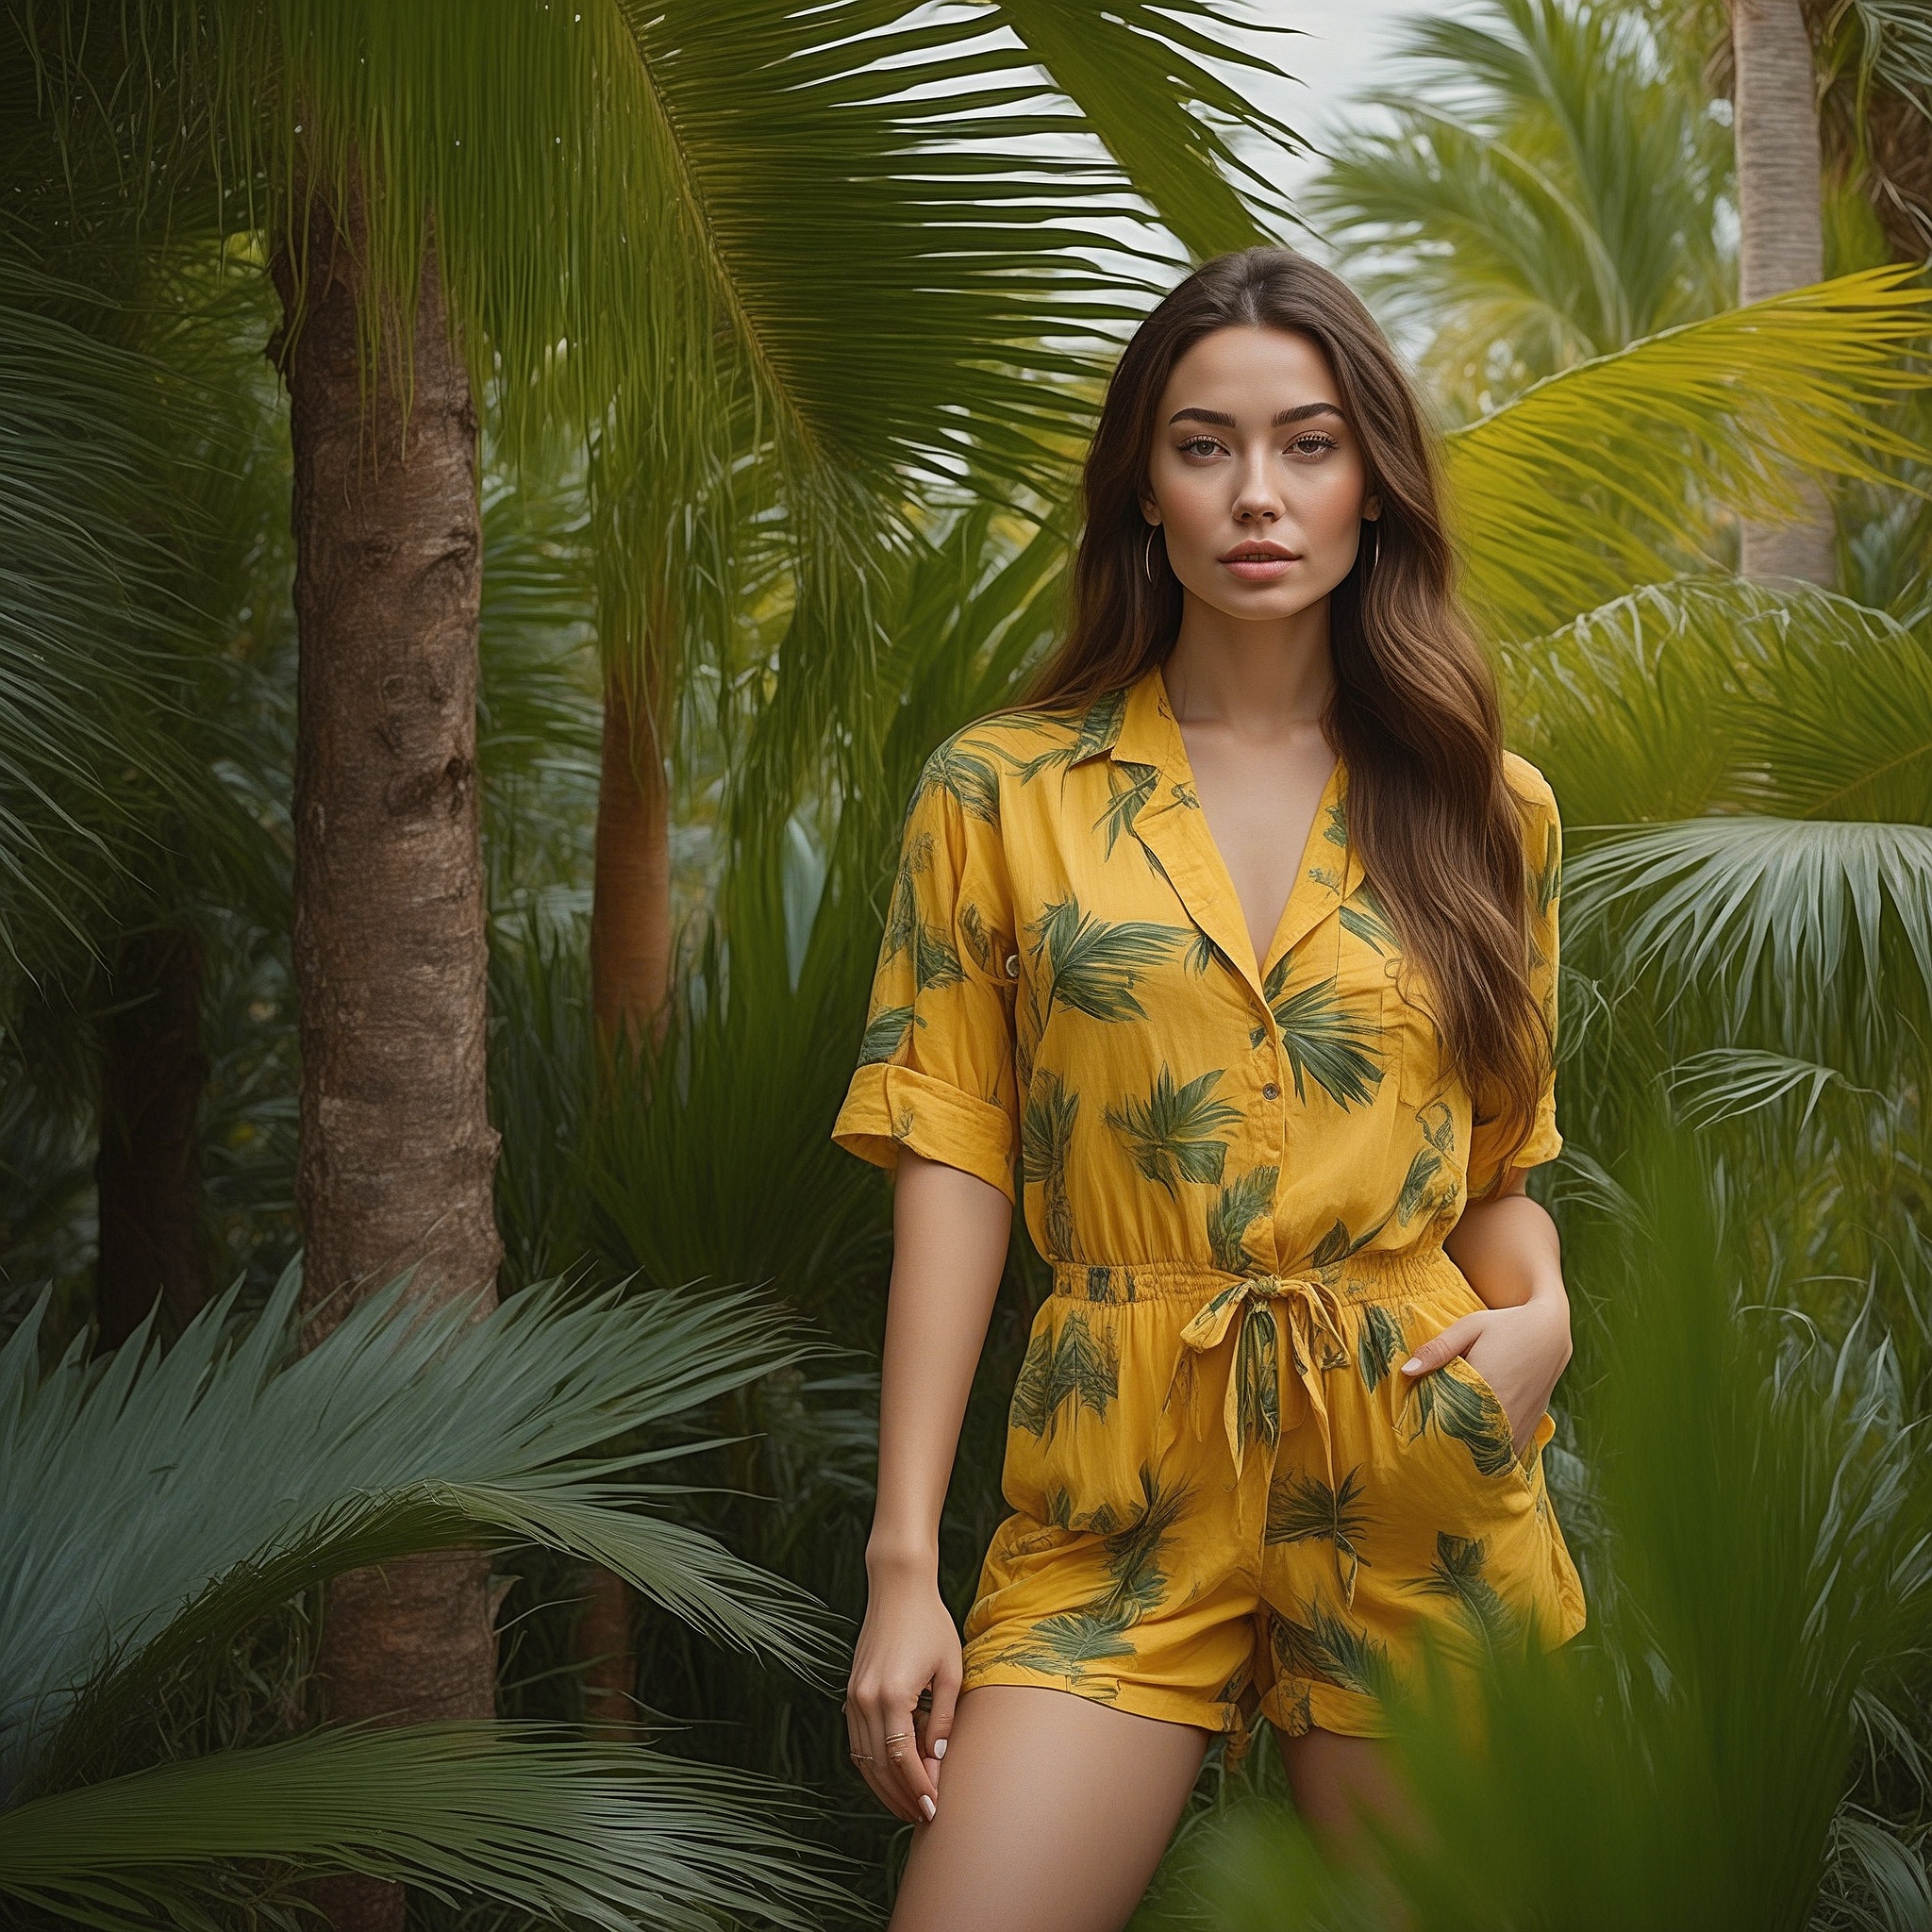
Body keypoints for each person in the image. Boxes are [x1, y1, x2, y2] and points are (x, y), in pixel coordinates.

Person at [830, 246, 1585, 1932]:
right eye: (1206, 445)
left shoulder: (1490, 810)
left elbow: (1499, 1177)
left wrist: (1545, 1317)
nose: (1261, 494)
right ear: (1142, 491)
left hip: (1410, 1452)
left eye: (1310, 445)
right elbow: (944, 1163)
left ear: (1376, 488)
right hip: (1115, 1474)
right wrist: (903, 1567)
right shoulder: (1001, 793)